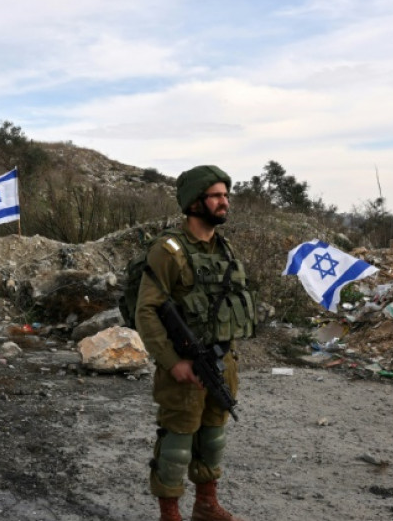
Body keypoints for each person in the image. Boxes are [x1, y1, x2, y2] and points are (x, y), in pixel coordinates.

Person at [135, 165, 256, 521]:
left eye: (226, 195)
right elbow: (147, 312)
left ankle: (206, 504)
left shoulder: (225, 248)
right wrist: (173, 362)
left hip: (222, 361)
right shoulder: (168, 250)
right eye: (216, 196)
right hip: (184, 365)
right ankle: (170, 513)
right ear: (194, 202)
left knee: (213, 437)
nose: (225, 202)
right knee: (177, 444)